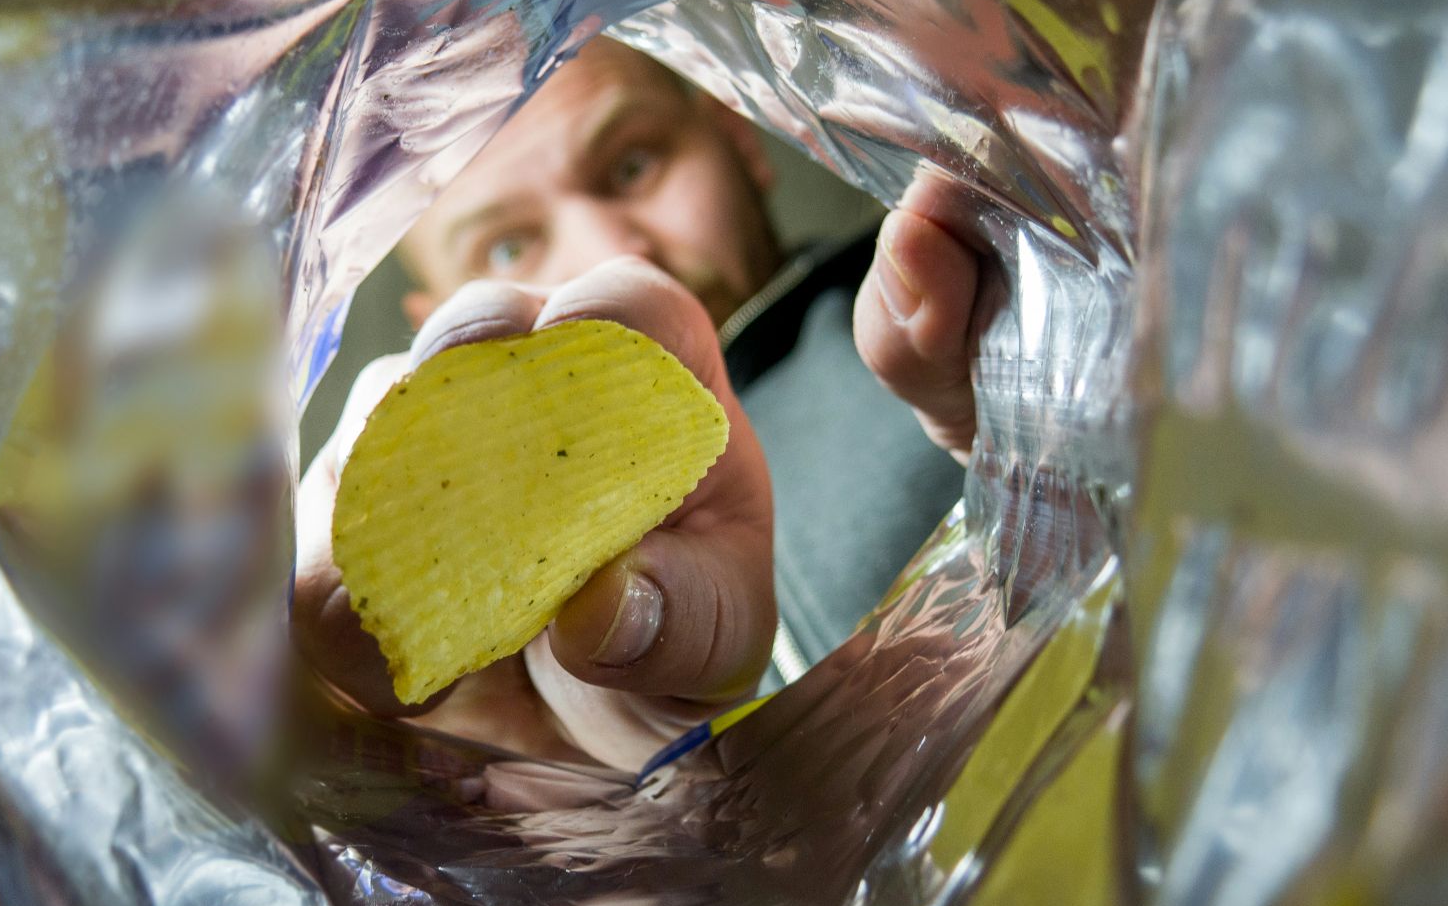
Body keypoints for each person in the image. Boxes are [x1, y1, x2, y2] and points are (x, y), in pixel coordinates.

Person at [293, 38, 986, 771]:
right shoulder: (502, 611)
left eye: (632, 165)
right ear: (433, 310)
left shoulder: (954, 324)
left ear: (737, 136)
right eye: (506, 249)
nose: (615, 250)